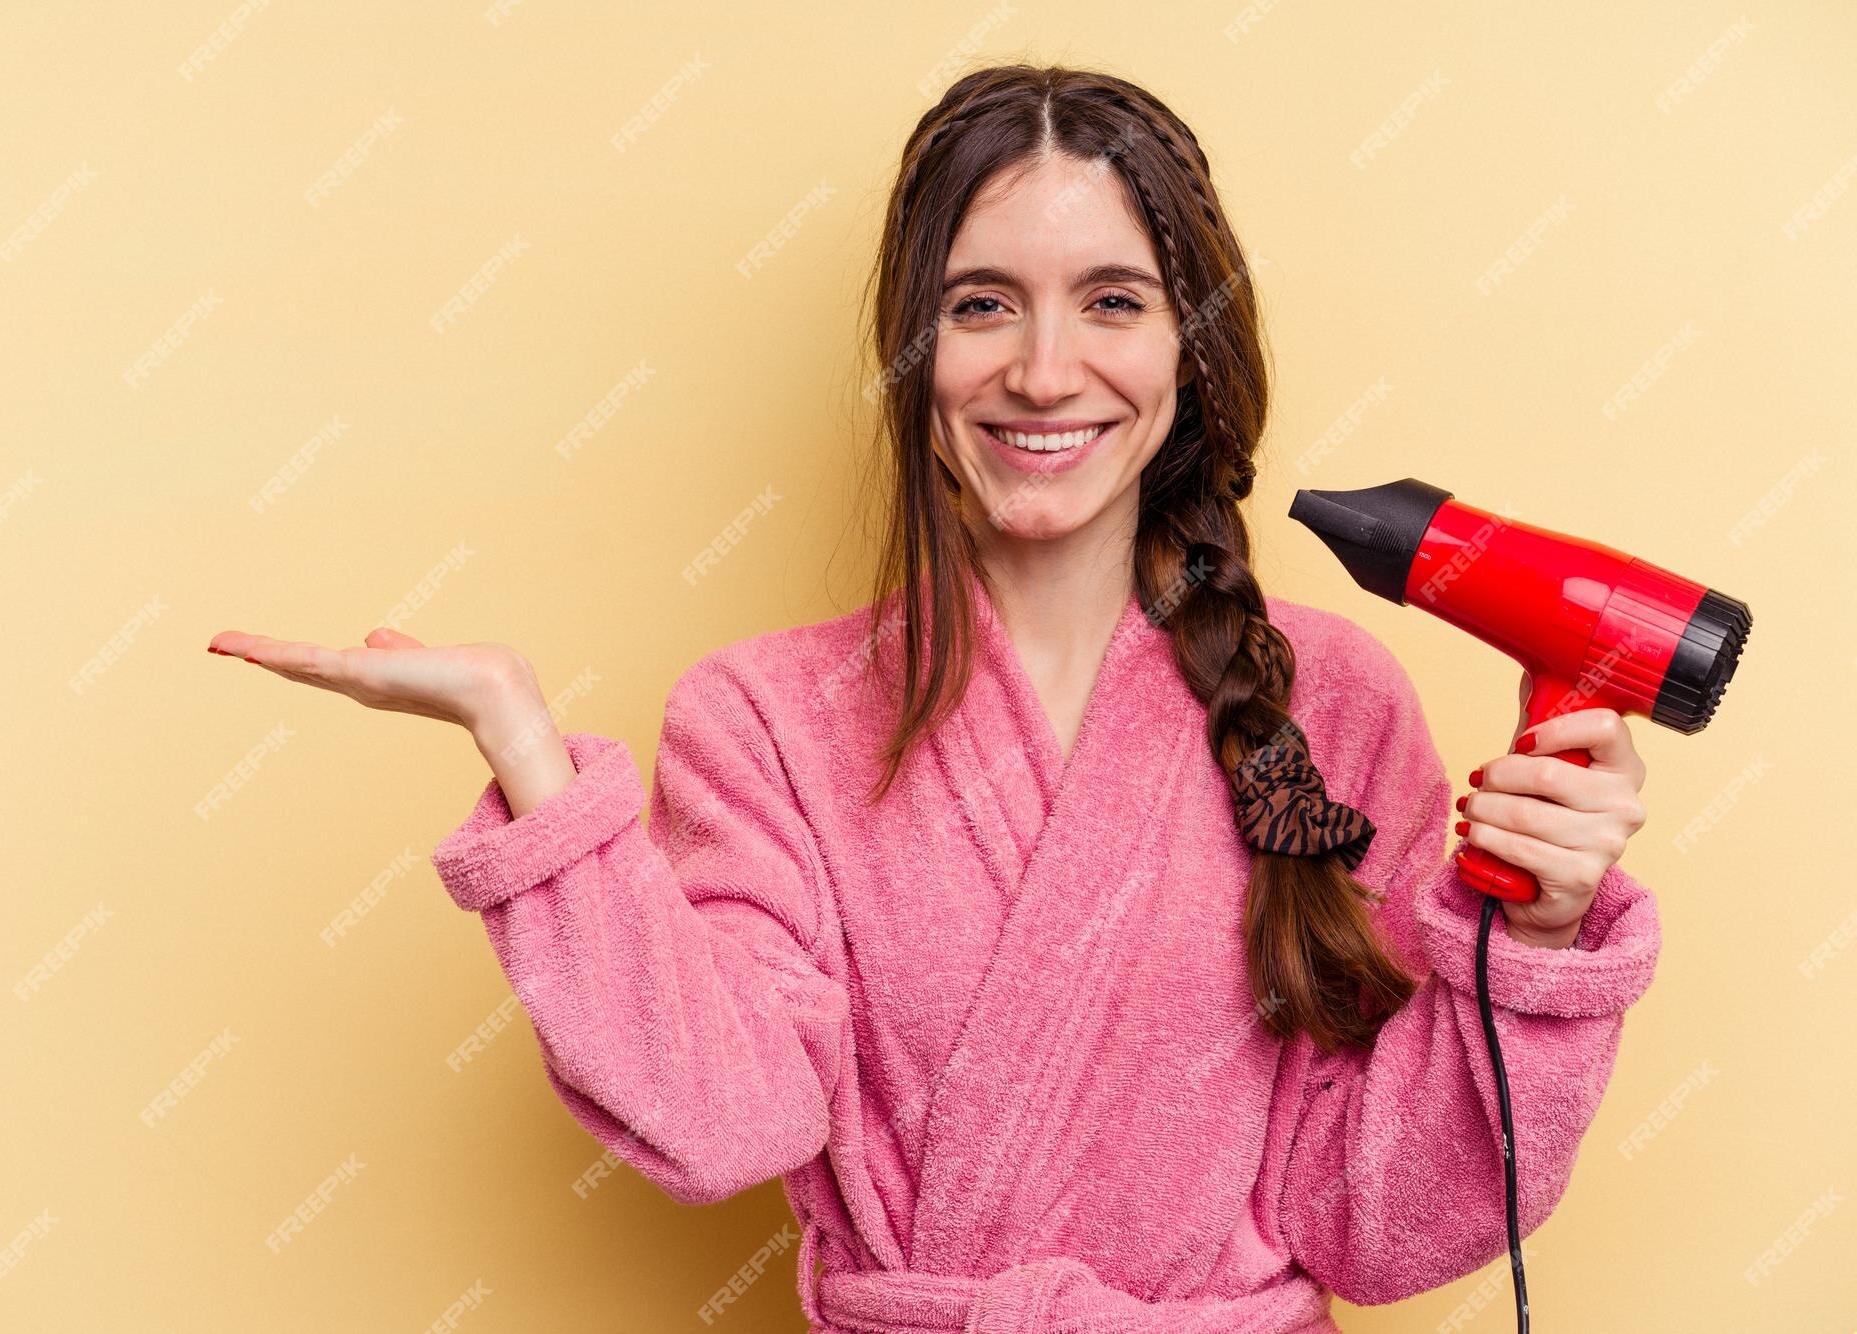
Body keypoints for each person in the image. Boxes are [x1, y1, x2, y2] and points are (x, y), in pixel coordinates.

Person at [208, 63, 1658, 1334]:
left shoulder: (1333, 700)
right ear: (915, 350)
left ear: (1190, 346)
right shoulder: (765, 716)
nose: (1042, 370)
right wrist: (531, 759)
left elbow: (1381, 1221)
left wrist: (1532, 936)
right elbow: (730, 1119)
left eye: (1111, 301)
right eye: (982, 306)